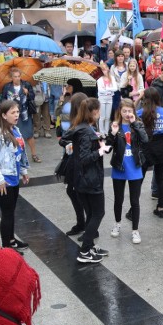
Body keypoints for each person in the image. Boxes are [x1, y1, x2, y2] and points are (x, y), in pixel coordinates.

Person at [65, 98, 109, 263]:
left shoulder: (81, 128)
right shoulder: (86, 131)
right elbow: (84, 158)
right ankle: (85, 251)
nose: (99, 113)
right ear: (94, 112)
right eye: (98, 111)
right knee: (98, 213)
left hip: (82, 180)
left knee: (91, 213)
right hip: (90, 180)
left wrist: (98, 143)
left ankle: (89, 245)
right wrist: (101, 151)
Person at [0, 100, 30, 252]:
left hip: (13, 177)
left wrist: (23, 172)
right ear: (4, 115)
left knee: (11, 211)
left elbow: (20, 153)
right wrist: (0, 180)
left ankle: (11, 240)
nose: (17, 115)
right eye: (13, 112)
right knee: (7, 213)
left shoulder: (15, 130)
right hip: (1, 181)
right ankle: (6, 247)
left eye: (17, 112)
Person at [107, 99, 148, 245]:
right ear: (120, 111)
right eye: (124, 111)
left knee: (134, 201)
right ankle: (117, 224)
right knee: (118, 199)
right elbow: (108, 147)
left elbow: (145, 139)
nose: (127, 114)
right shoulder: (115, 125)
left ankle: (135, 230)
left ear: (133, 111)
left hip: (135, 166)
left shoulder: (138, 124)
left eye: (129, 111)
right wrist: (112, 133)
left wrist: (136, 124)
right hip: (119, 166)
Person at [137, 87, 163, 218]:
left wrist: (138, 98)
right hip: (161, 146)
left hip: (146, 146)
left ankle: (133, 209)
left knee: (139, 178)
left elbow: (130, 115)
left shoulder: (141, 112)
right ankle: (160, 208)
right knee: (160, 178)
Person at [57, 92, 88, 238]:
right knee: (73, 191)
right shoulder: (74, 121)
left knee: (81, 194)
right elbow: (62, 138)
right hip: (73, 161)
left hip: (81, 163)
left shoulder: (85, 123)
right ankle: (82, 223)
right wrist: (69, 143)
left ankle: (88, 225)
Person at [0, 68, 40, 163]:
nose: (17, 78)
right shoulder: (7, 87)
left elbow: (32, 96)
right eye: (15, 77)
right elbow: (3, 99)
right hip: (12, 114)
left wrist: (27, 93)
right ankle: (15, 154)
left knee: (29, 135)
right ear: (11, 77)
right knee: (13, 134)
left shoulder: (26, 84)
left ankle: (34, 154)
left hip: (24, 113)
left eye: (18, 76)